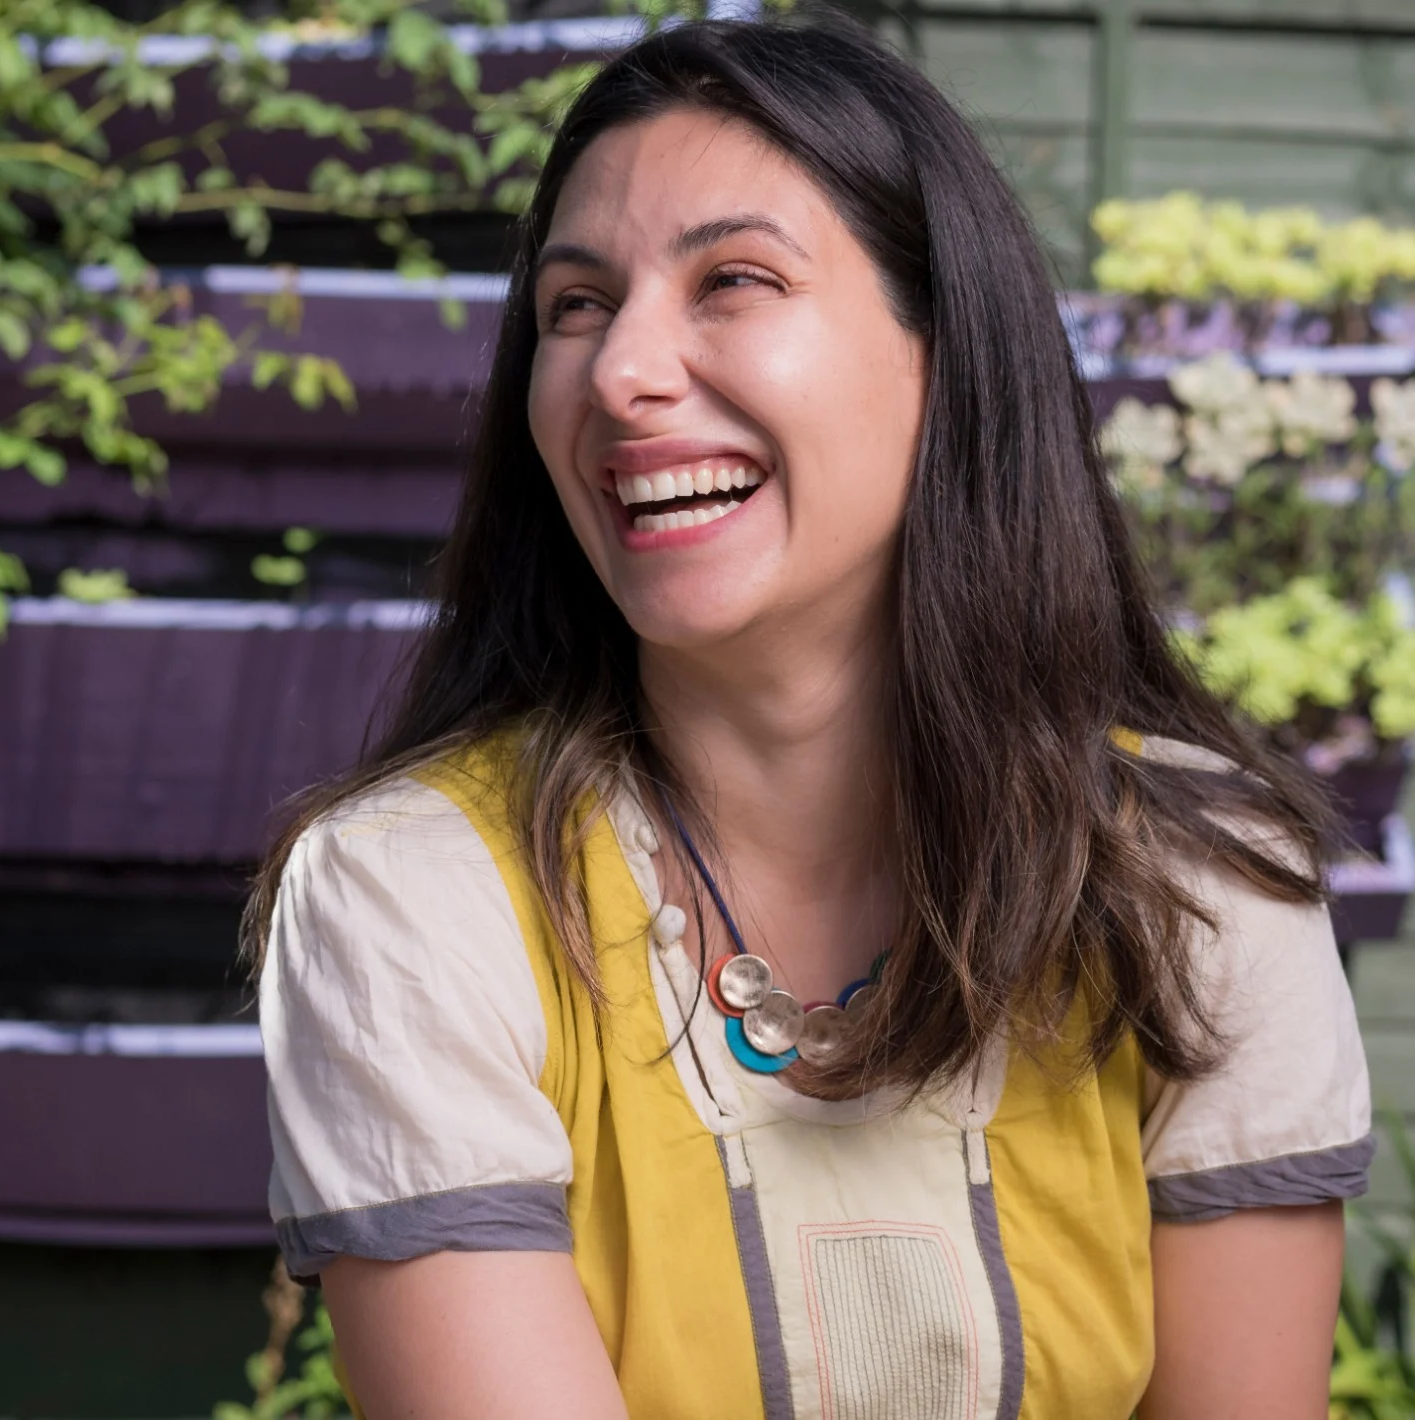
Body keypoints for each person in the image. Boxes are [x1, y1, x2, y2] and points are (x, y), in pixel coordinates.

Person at [248, 15, 1370, 1420]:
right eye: (575, 306)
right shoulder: (413, 894)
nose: (619, 374)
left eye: (734, 280)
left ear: (947, 355)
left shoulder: (1199, 886)